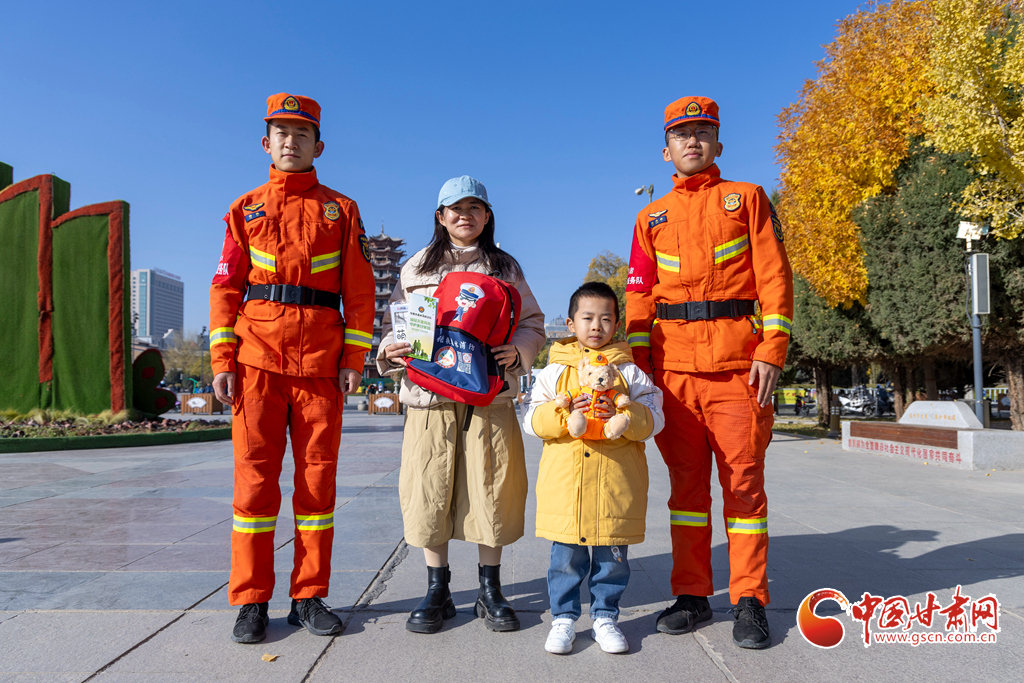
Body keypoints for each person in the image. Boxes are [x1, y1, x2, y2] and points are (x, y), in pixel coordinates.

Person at [625, 97, 794, 649]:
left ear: (718, 143)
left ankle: (749, 600)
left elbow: (774, 276)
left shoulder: (747, 198)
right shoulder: (649, 217)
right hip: (673, 376)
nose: (692, 141)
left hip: (738, 371)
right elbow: (638, 297)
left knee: (744, 487)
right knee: (686, 492)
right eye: (681, 134)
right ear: (666, 150)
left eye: (702, 132)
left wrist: (772, 349)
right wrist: (641, 369)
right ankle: (693, 595)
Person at [209, 93, 375, 644]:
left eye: (302, 133)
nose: (290, 141)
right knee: (254, 485)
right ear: (266, 143)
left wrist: (354, 358)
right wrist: (222, 359)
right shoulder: (244, 208)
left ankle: (308, 596)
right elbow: (225, 288)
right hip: (255, 361)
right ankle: (251, 600)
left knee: (317, 483)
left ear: (318, 146)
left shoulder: (342, 210)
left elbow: (359, 290)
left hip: (321, 365)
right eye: (281, 132)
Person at [377, 176, 545, 634]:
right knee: (428, 489)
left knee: (493, 489)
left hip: (488, 395)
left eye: (474, 208)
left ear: (487, 216)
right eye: (455, 208)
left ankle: (490, 589)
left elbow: (532, 321)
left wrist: (519, 351)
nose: (464, 215)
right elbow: (395, 324)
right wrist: (391, 349)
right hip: (430, 398)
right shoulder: (416, 266)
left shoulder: (505, 268)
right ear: (440, 216)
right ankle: (438, 589)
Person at [524, 282, 664, 654]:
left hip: (615, 487)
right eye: (587, 318)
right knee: (565, 560)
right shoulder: (555, 371)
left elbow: (656, 418)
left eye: (605, 319)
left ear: (616, 325)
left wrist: (626, 414)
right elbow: (531, 420)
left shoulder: (630, 372)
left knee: (611, 561)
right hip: (566, 488)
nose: (596, 326)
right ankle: (563, 619)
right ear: (571, 324)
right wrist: (563, 415)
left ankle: (605, 617)